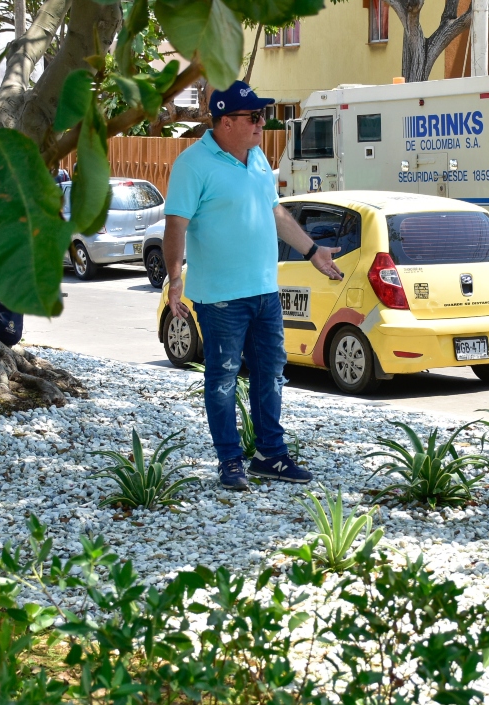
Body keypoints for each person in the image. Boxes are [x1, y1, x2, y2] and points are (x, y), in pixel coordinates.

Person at [163, 80, 344, 491]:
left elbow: (276, 213)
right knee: (223, 378)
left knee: (270, 373)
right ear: (226, 122)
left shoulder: (258, 158)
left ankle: (270, 456)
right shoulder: (193, 165)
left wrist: (312, 250)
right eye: (254, 116)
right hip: (221, 297)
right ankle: (230, 461)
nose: (263, 122)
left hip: (264, 291)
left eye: (262, 115)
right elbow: (177, 224)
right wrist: (175, 278)